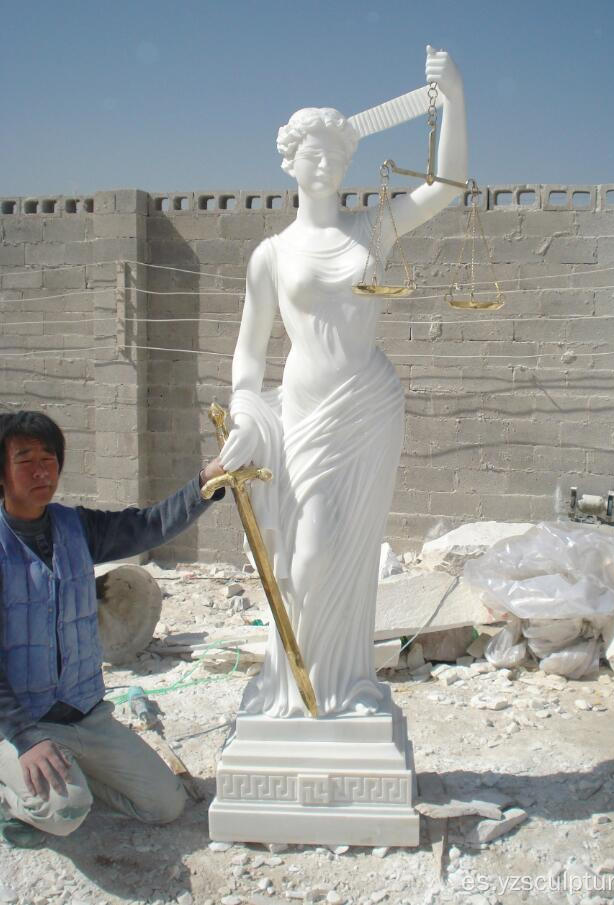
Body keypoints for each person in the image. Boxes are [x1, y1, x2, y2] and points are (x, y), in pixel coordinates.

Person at [218, 46, 467, 717]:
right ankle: (292, 687)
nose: (325, 163)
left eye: (336, 152)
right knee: (305, 558)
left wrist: (457, 103)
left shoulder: (371, 229)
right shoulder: (269, 255)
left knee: (350, 555)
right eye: (313, 152)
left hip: (369, 406)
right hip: (304, 411)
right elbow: (248, 353)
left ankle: (341, 685)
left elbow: (447, 187)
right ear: (290, 160)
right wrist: (244, 410)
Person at [0, 410, 225, 845]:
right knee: (63, 812)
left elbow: (149, 525)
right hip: (20, 720)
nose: (41, 469)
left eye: (49, 458)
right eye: (24, 459)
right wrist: (26, 739)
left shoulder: (75, 527)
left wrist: (206, 483)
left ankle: (70, 775)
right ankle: (13, 783)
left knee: (164, 805)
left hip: (86, 715)